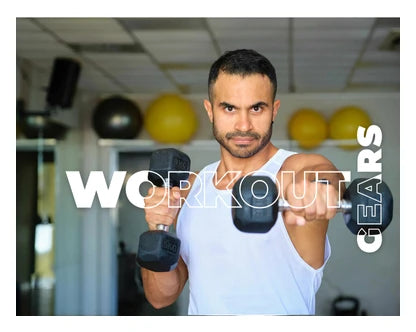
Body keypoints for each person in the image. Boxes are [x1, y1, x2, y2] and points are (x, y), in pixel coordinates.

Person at [141, 49, 345, 315]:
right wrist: (158, 228)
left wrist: (319, 188)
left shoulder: (289, 172)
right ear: (210, 110)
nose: (244, 125)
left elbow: (323, 172)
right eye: (229, 108)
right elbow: (160, 297)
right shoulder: (190, 188)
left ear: (274, 110)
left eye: (257, 108)